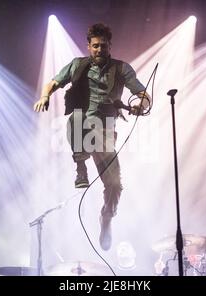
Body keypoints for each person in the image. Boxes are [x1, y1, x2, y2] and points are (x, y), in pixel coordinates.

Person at [33, 23, 150, 251]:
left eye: (103, 46)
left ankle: (106, 218)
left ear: (109, 46)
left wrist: (140, 105)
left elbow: (143, 93)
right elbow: (53, 82)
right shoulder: (78, 65)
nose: (99, 50)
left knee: (115, 185)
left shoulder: (121, 68)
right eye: (95, 46)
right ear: (88, 46)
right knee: (76, 119)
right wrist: (45, 96)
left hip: (105, 131)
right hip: (83, 127)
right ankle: (81, 168)